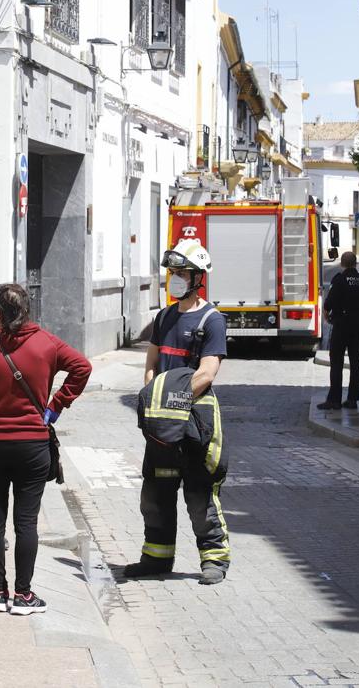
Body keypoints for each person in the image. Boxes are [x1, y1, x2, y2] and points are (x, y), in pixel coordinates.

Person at [0, 283, 91, 614]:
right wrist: (56, 404)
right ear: (27, 310)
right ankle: (24, 595)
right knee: (26, 522)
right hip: (32, 445)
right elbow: (82, 367)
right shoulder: (46, 343)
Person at [124, 238, 230, 586]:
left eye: (182, 273)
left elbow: (207, 372)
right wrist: (153, 399)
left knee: (200, 493)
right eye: (172, 272)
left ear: (198, 277)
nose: (175, 278)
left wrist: (176, 403)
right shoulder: (165, 316)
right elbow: (151, 364)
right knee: (156, 492)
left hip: (195, 422)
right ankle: (156, 558)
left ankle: (214, 559)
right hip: (163, 425)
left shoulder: (212, 320)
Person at [318, 251, 359, 411]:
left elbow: (329, 304)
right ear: (355, 263)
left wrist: (327, 316)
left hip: (341, 325)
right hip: (358, 327)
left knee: (336, 363)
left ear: (342, 263)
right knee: (356, 364)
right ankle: (352, 400)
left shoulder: (339, 279)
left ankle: (334, 400)